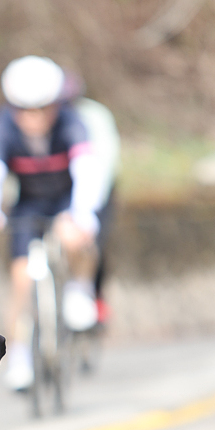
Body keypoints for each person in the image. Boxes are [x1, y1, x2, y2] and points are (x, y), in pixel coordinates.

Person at [0, 56, 105, 390]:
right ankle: (20, 356)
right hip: (29, 204)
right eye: (24, 110)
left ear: (56, 104)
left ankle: (79, 289)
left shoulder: (71, 122)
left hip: (66, 200)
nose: (34, 117)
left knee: (73, 236)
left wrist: (84, 214)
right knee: (21, 279)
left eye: (42, 109)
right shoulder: (3, 126)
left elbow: (86, 169)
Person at [62, 71, 122, 326]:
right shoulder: (50, 118)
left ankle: (93, 295)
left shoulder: (95, 115)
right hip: (59, 188)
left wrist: (92, 203)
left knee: (94, 240)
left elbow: (105, 160)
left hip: (95, 187)